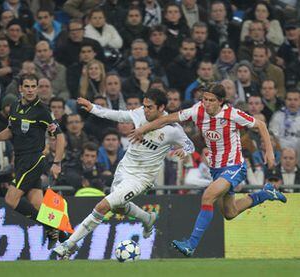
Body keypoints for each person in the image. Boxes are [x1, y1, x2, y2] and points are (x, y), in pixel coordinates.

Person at [129, 83, 287, 257]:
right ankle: (266, 194)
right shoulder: (197, 111)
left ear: (220, 102)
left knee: (208, 196)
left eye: (211, 100)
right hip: (216, 169)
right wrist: (142, 129)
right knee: (230, 212)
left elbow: (261, 125)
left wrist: (269, 151)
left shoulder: (232, 114)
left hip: (234, 166)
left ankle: (191, 244)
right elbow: (167, 119)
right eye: (205, 99)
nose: (207, 104)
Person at [53, 89, 195, 258]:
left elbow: (189, 145)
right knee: (119, 207)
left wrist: (184, 151)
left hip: (142, 178)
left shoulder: (173, 129)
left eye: (150, 107)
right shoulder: (141, 113)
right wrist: (93, 108)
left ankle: (69, 244)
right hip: (124, 169)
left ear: (161, 107)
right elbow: (118, 115)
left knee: (103, 206)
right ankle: (147, 218)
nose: (146, 110)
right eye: (145, 106)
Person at [0, 74, 65, 249]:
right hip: (20, 159)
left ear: (37, 88)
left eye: (33, 86)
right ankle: (65, 235)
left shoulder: (42, 110)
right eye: (26, 86)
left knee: (11, 199)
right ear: (20, 88)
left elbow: (60, 136)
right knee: (37, 203)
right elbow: (11, 131)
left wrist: (57, 162)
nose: (30, 90)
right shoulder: (15, 106)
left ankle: (50, 228)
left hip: (33, 159)